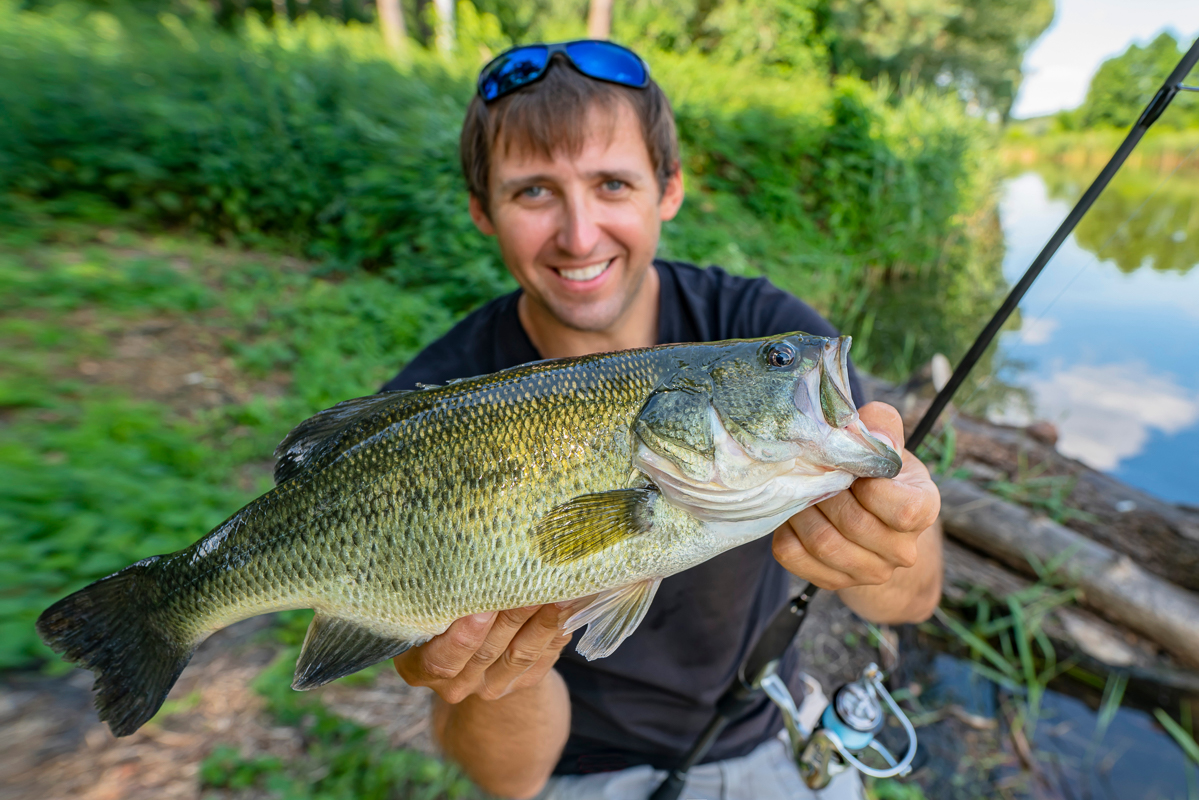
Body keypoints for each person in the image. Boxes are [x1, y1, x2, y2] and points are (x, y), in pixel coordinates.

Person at [382, 40, 943, 800]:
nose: (579, 236)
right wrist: (493, 673)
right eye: (533, 193)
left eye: (611, 183)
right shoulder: (424, 411)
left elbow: (912, 602)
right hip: (579, 771)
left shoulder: (754, 327)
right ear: (482, 210)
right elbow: (507, 782)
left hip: (768, 729)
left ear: (668, 188)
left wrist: (893, 539)